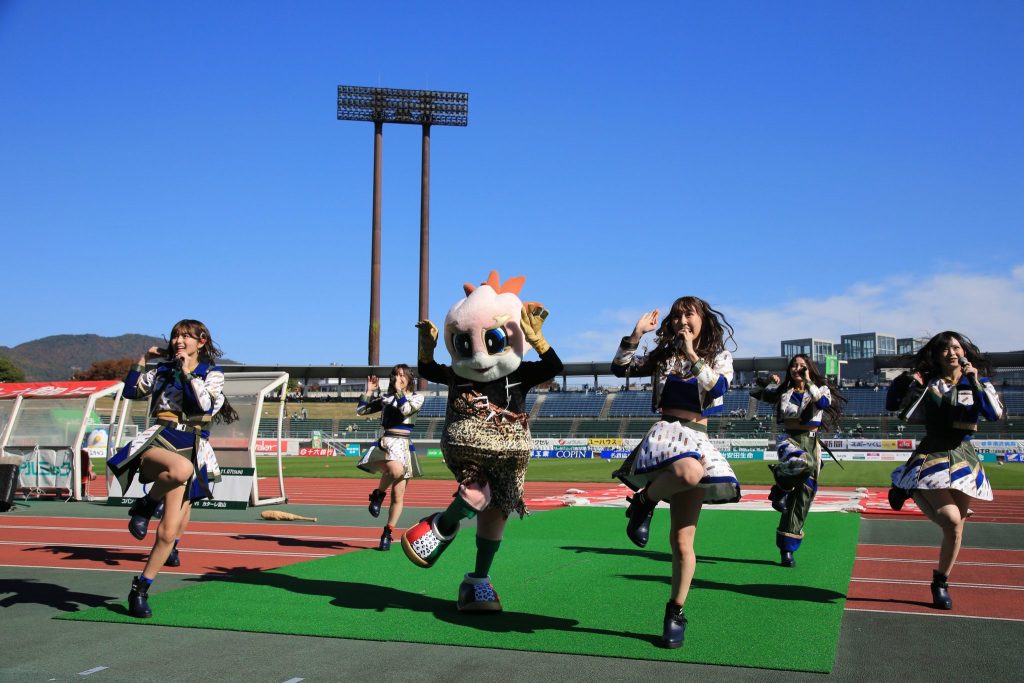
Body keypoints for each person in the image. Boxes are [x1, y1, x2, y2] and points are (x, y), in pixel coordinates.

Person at [401, 271, 562, 613]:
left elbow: (553, 366)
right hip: (469, 446)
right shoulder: (457, 375)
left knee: (495, 517)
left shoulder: (519, 374)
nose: (479, 355)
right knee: (475, 494)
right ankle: (441, 526)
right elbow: (427, 371)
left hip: (510, 455)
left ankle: (477, 581)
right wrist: (426, 349)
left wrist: (538, 339)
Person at [610, 296, 740, 649]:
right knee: (690, 472)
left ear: (703, 320)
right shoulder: (664, 355)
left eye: (689, 314)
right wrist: (636, 334)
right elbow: (620, 368)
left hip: (699, 438)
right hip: (667, 435)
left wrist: (692, 354)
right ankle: (645, 502)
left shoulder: (720, 357)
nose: (683, 320)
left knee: (683, 542)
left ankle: (675, 612)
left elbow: (718, 387)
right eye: (678, 315)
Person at [106, 319, 236, 618]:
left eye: (187, 336)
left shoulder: (213, 374)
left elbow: (203, 405)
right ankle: (147, 503)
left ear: (201, 342)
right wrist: (143, 360)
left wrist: (187, 372)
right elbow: (131, 391)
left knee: (168, 532)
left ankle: (141, 588)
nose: (179, 340)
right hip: (159, 438)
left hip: (191, 444)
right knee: (180, 469)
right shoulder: (162, 370)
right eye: (176, 335)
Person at [886, 331, 1002, 610]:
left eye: (956, 347)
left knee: (956, 530)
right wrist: (909, 382)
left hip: (964, 454)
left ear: (965, 352)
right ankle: (909, 485)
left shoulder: (978, 381)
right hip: (933, 451)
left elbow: (993, 414)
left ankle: (940, 582)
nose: (952, 352)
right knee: (949, 518)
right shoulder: (930, 382)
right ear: (937, 356)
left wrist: (975, 380)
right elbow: (898, 409)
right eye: (945, 349)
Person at [750, 354, 845, 567]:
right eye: (794, 365)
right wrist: (766, 380)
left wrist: (809, 381)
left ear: (809, 369)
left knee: (803, 498)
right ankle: (780, 489)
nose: (797, 368)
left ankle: (787, 549)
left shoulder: (821, 390)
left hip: (812, 443)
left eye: (802, 366)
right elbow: (755, 393)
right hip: (789, 440)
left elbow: (822, 403)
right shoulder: (783, 391)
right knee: (804, 463)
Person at [355, 364, 424, 551]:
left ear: (409, 378)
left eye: (402, 375)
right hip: (387, 442)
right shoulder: (386, 398)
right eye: (395, 375)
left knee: (398, 496)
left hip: (405, 446)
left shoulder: (417, 397)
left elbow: (406, 410)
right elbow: (361, 411)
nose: (398, 378)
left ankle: (387, 533)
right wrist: (369, 391)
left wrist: (399, 392)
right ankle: (378, 494)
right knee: (396, 470)